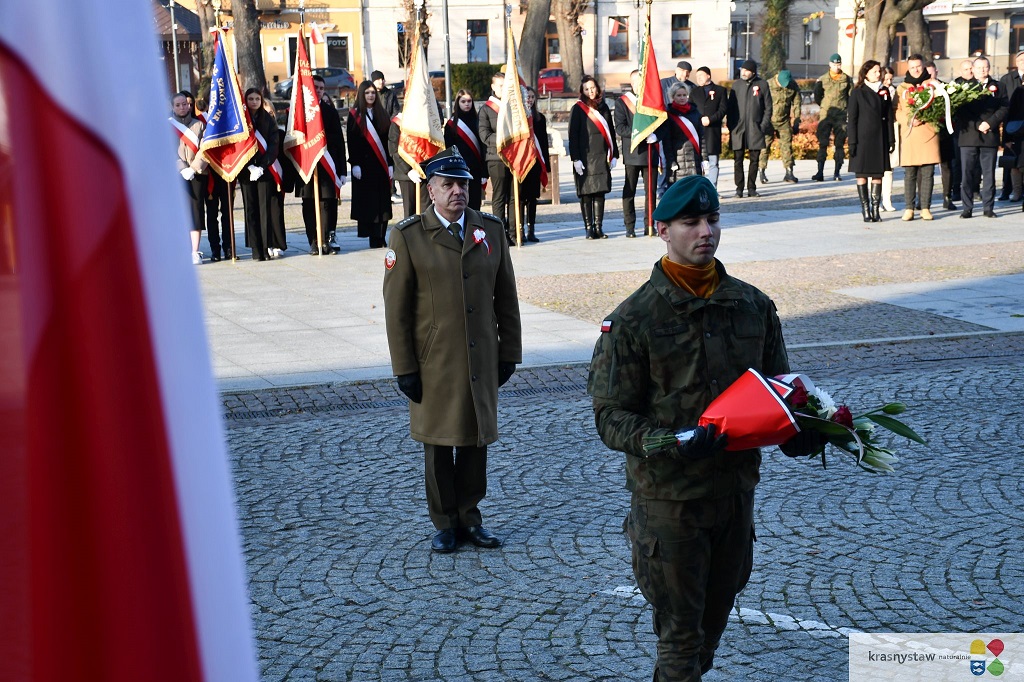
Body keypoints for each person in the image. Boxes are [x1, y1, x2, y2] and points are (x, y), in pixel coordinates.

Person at [587, 174, 814, 682]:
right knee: (681, 636)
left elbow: (780, 393)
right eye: (691, 222)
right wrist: (669, 442)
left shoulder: (752, 305)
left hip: (734, 494)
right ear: (662, 229)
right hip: (670, 502)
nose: (705, 231)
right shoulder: (633, 320)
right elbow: (611, 416)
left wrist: (806, 433)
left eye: (712, 220)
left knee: (711, 627)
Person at [382, 146, 522, 554]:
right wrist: (404, 366)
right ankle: (444, 522)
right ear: (431, 190)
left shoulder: (490, 230)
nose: (457, 191)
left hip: (480, 358)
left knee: (476, 441)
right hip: (434, 361)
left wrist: (508, 351)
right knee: (440, 444)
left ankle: (471, 517)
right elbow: (396, 310)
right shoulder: (408, 237)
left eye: (463, 184)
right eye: (448, 185)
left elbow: (506, 298)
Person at [297, 74, 348, 254]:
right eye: (315, 87)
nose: (318, 90)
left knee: (327, 203)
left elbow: (339, 142)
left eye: (321, 88)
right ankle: (313, 241)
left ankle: (326, 239)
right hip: (307, 166)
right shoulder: (299, 112)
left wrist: (342, 170)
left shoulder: (329, 111)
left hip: (328, 165)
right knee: (309, 204)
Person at [956, 57, 1008, 219]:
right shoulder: (964, 87)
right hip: (969, 135)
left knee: (989, 174)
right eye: (979, 67)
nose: (982, 70)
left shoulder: (999, 86)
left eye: (985, 67)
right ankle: (967, 208)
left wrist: (989, 123)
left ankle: (988, 207)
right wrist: (979, 123)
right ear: (973, 69)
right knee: (967, 174)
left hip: (989, 135)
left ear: (989, 68)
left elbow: (1004, 107)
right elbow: (960, 110)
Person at [569, 75, 619, 239]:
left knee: (599, 192)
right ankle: (589, 228)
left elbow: (611, 132)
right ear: (582, 92)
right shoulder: (578, 109)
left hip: (601, 156)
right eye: (586, 89)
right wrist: (575, 158)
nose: (590, 91)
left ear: (597, 88)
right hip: (584, 157)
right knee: (586, 193)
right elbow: (573, 136)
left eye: (592, 88)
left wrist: (614, 154)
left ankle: (598, 227)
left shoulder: (603, 107)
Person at [615, 69, 663, 238]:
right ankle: (630, 226)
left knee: (651, 192)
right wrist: (641, 133)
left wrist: (656, 135)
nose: (639, 86)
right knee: (630, 191)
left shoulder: (652, 101)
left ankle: (649, 225)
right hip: (633, 153)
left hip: (650, 153)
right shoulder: (623, 102)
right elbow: (620, 128)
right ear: (631, 84)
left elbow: (663, 123)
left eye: (642, 82)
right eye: (636, 82)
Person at [347, 80, 394, 247]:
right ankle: (373, 237)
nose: (370, 95)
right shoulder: (355, 115)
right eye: (367, 93)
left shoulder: (382, 113)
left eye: (373, 92)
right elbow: (352, 141)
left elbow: (388, 140)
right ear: (361, 94)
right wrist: (355, 164)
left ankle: (381, 235)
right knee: (369, 203)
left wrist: (390, 163)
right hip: (364, 167)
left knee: (383, 203)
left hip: (380, 165)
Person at [848, 60, 894, 223]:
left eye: (879, 71)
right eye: (874, 71)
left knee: (877, 174)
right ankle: (865, 210)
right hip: (862, 139)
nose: (878, 74)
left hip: (879, 138)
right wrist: (852, 141)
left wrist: (891, 139)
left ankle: (876, 210)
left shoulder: (884, 91)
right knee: (861, 174)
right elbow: (852, 119)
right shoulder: (858, 92)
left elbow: (889, 117)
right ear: (866, 73)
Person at [895, 56, 940, 221]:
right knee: (910, 174)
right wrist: (908, 120)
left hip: (928, 132)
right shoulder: (901, 88)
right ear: (908, 68)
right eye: (912, 67)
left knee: (928, 173)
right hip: (910, 133)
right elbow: (897, 110)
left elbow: (941, 107)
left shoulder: (933, 85)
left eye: (918, 66)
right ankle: (909, 208)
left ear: (923, 67)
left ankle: (925, 208)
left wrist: (928, 117)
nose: (916, 70)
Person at [238, 88, 279, 261]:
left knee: (264, 209)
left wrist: (262, 166)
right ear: (245, 100)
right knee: (251, 209)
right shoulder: (241, 120)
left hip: (264, 171)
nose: (254, 102)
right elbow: (237, 146)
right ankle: (255, 248)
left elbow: (274, 143)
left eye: (257, 99)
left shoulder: (267, 119)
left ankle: (265, 246)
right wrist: (249, 166)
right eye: (251, 99)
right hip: (247, 172)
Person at [170, 91, 209, 264]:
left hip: (197, 174)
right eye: (177, 105)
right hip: (176, 175)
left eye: (184, 104)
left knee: (195, 211)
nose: (182, 107)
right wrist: (182, 167)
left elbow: (206, 149)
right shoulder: (167, 126)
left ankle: (195, 250)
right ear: (173, 107)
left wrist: (194, 168)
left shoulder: (199, 125)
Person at [726, 59, 772, 198]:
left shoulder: (762, 84)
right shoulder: (736, 85)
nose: (743, 72)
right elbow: (731, 107)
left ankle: (751, 187)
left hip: (755, 128)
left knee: (754, 160)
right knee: (738, 160)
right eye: (742, 70)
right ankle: (739, 188)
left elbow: (768, 107)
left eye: (746, 70)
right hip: (738, 129)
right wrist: (731, 125)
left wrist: (762, 125)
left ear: (753, 72)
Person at [478, 71, 514, 241]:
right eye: (500, 86)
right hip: (496, 158)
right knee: (499, 196)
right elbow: (484, 135)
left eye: (505, 85)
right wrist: (503, 139)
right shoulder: (486, 109)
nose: (503, 89)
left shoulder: (513, 106)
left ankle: (514, 232)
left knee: (514, 196)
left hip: (514, 157)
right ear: (493, 87)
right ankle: (501, 234)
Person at [444, 89, 487, 211]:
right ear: (458, 103)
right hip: (460, 169)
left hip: (476, 169)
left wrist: (484, 171)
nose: (467, 104)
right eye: (463, 101)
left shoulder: (479, 121)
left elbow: (483, 147)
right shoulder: (451, 124)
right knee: (461, 203)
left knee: (475, 203)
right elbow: (449, 148)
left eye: (469, 101)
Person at [517, 86, 550, 244]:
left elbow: (543, 143)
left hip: (536, 163)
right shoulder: (519, 119)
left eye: (531, 97)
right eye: (526, 97)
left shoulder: (539, 118)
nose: (529, 99)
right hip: (523, 164)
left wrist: (546, 167)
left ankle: (531, 230)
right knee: (521, 199)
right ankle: (520, 230)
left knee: (532, 199)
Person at [812, 54, 852, 182]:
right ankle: (820, 172)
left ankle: (837, 172)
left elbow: (850, 97)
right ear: (830, 64)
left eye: (839, 64)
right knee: (823, 143)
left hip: (840, 115)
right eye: (834, 64)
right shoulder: (822, 80)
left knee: (839, 144)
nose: (836, 67)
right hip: (826, 114)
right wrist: (824, 106)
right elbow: (818, 96)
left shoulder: (847, 80)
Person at [925, 61, 959, 210]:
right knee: (926, 167)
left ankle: (947, 196)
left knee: (947, 166)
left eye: (932, 73)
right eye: (927, 74)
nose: (930, 77)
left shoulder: (947, 88)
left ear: (936, 72)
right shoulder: (921, 90)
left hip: (945, 132)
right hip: (927, 133)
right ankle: (924, 199)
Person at [759, 69, 802, 184]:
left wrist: (797, 121)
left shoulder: (793, 85)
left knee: (787, 146)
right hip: (768, 121)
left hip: (784, 121)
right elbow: (759, 102)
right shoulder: (767, 84)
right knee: (765, 145)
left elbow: (797, 103)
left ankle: (789, 172)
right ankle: (761, 170)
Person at [689, 67, 727, 190]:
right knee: (698, 162)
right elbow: (690, 109)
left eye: (701, 75)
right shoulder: (694, 92)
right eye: (697, 76)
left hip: (712, 131)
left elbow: (722, 109)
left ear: (709, 76)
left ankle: (712, 189)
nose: (698, 78)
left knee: (713, 161)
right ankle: (698, 190)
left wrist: (710, 119)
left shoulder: (720, 91)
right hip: (697, 132)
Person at [665, 82, 707, 184]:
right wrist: (671, 161)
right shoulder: (669, 115)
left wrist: (704, 158)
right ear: (673, 97)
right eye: (679, 95)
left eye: (684, 95)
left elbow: (701, 137)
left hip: (694, 158)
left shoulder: (695, 112)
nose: (682, 98)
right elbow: (667, 141)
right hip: (678, 159)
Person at [389, 111, 428, 220]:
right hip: (407, 175)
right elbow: (393, 149)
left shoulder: (426, 116)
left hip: (424, 171)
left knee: (426, 210)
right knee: (410, 212)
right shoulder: (398, 122)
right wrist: (408, 170)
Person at [997, 50, 1024, 202]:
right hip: (1012, 127)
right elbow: (1005, 106)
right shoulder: (1007, 79)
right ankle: (1007, 190)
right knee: (1011, 162)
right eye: (1021, 61)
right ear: (1016, 63)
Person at [879, 67, 899, 212]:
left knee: (889, 169)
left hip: (892, 129)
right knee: (875, 169)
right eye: (886, 79)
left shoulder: (895, 91)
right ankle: (876, 200)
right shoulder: (876, 91)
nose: (888, 82)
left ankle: (887, 199)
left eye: (891, 79)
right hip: (878, 130)